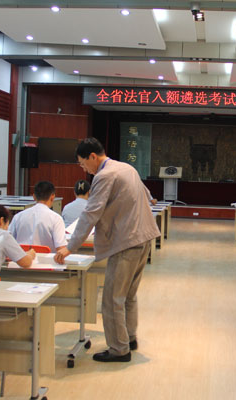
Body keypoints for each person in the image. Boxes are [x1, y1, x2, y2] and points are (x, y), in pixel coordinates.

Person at [55, 138, 160, 362]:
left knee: (112, 299)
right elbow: (147, 194)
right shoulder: (126, 168)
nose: (84, 169)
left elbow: (90, 213)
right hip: (143, 238)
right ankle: (129, 338)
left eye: (83, 163)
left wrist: (70, 247)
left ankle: (119, 349)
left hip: (126, 242)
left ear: (93, 156)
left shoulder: (104, 175)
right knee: (128, 295)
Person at [9, 181, 67, 252]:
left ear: (34, 197)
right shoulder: (56, 218)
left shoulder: (18, 217)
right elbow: (61, 248)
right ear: (52, 197)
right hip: (46, 258)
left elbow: (8, 241)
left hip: (22, 257)